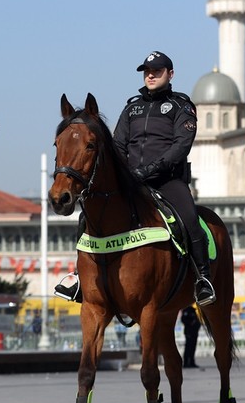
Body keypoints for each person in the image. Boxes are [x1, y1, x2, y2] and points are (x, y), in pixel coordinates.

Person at [55, 50, 216, 307]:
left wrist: (148, 170)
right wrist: (123, 174)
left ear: (170, 74)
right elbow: (118, 146)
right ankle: (78, 277)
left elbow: (180, 147)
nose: (151, 76)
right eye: (147, 72)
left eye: (157, 71)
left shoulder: (181, 106)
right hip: (132, 182)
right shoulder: (132, 108)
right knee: (89, 214)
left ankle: (202, 279)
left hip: (168, 181)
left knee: (189, 219)